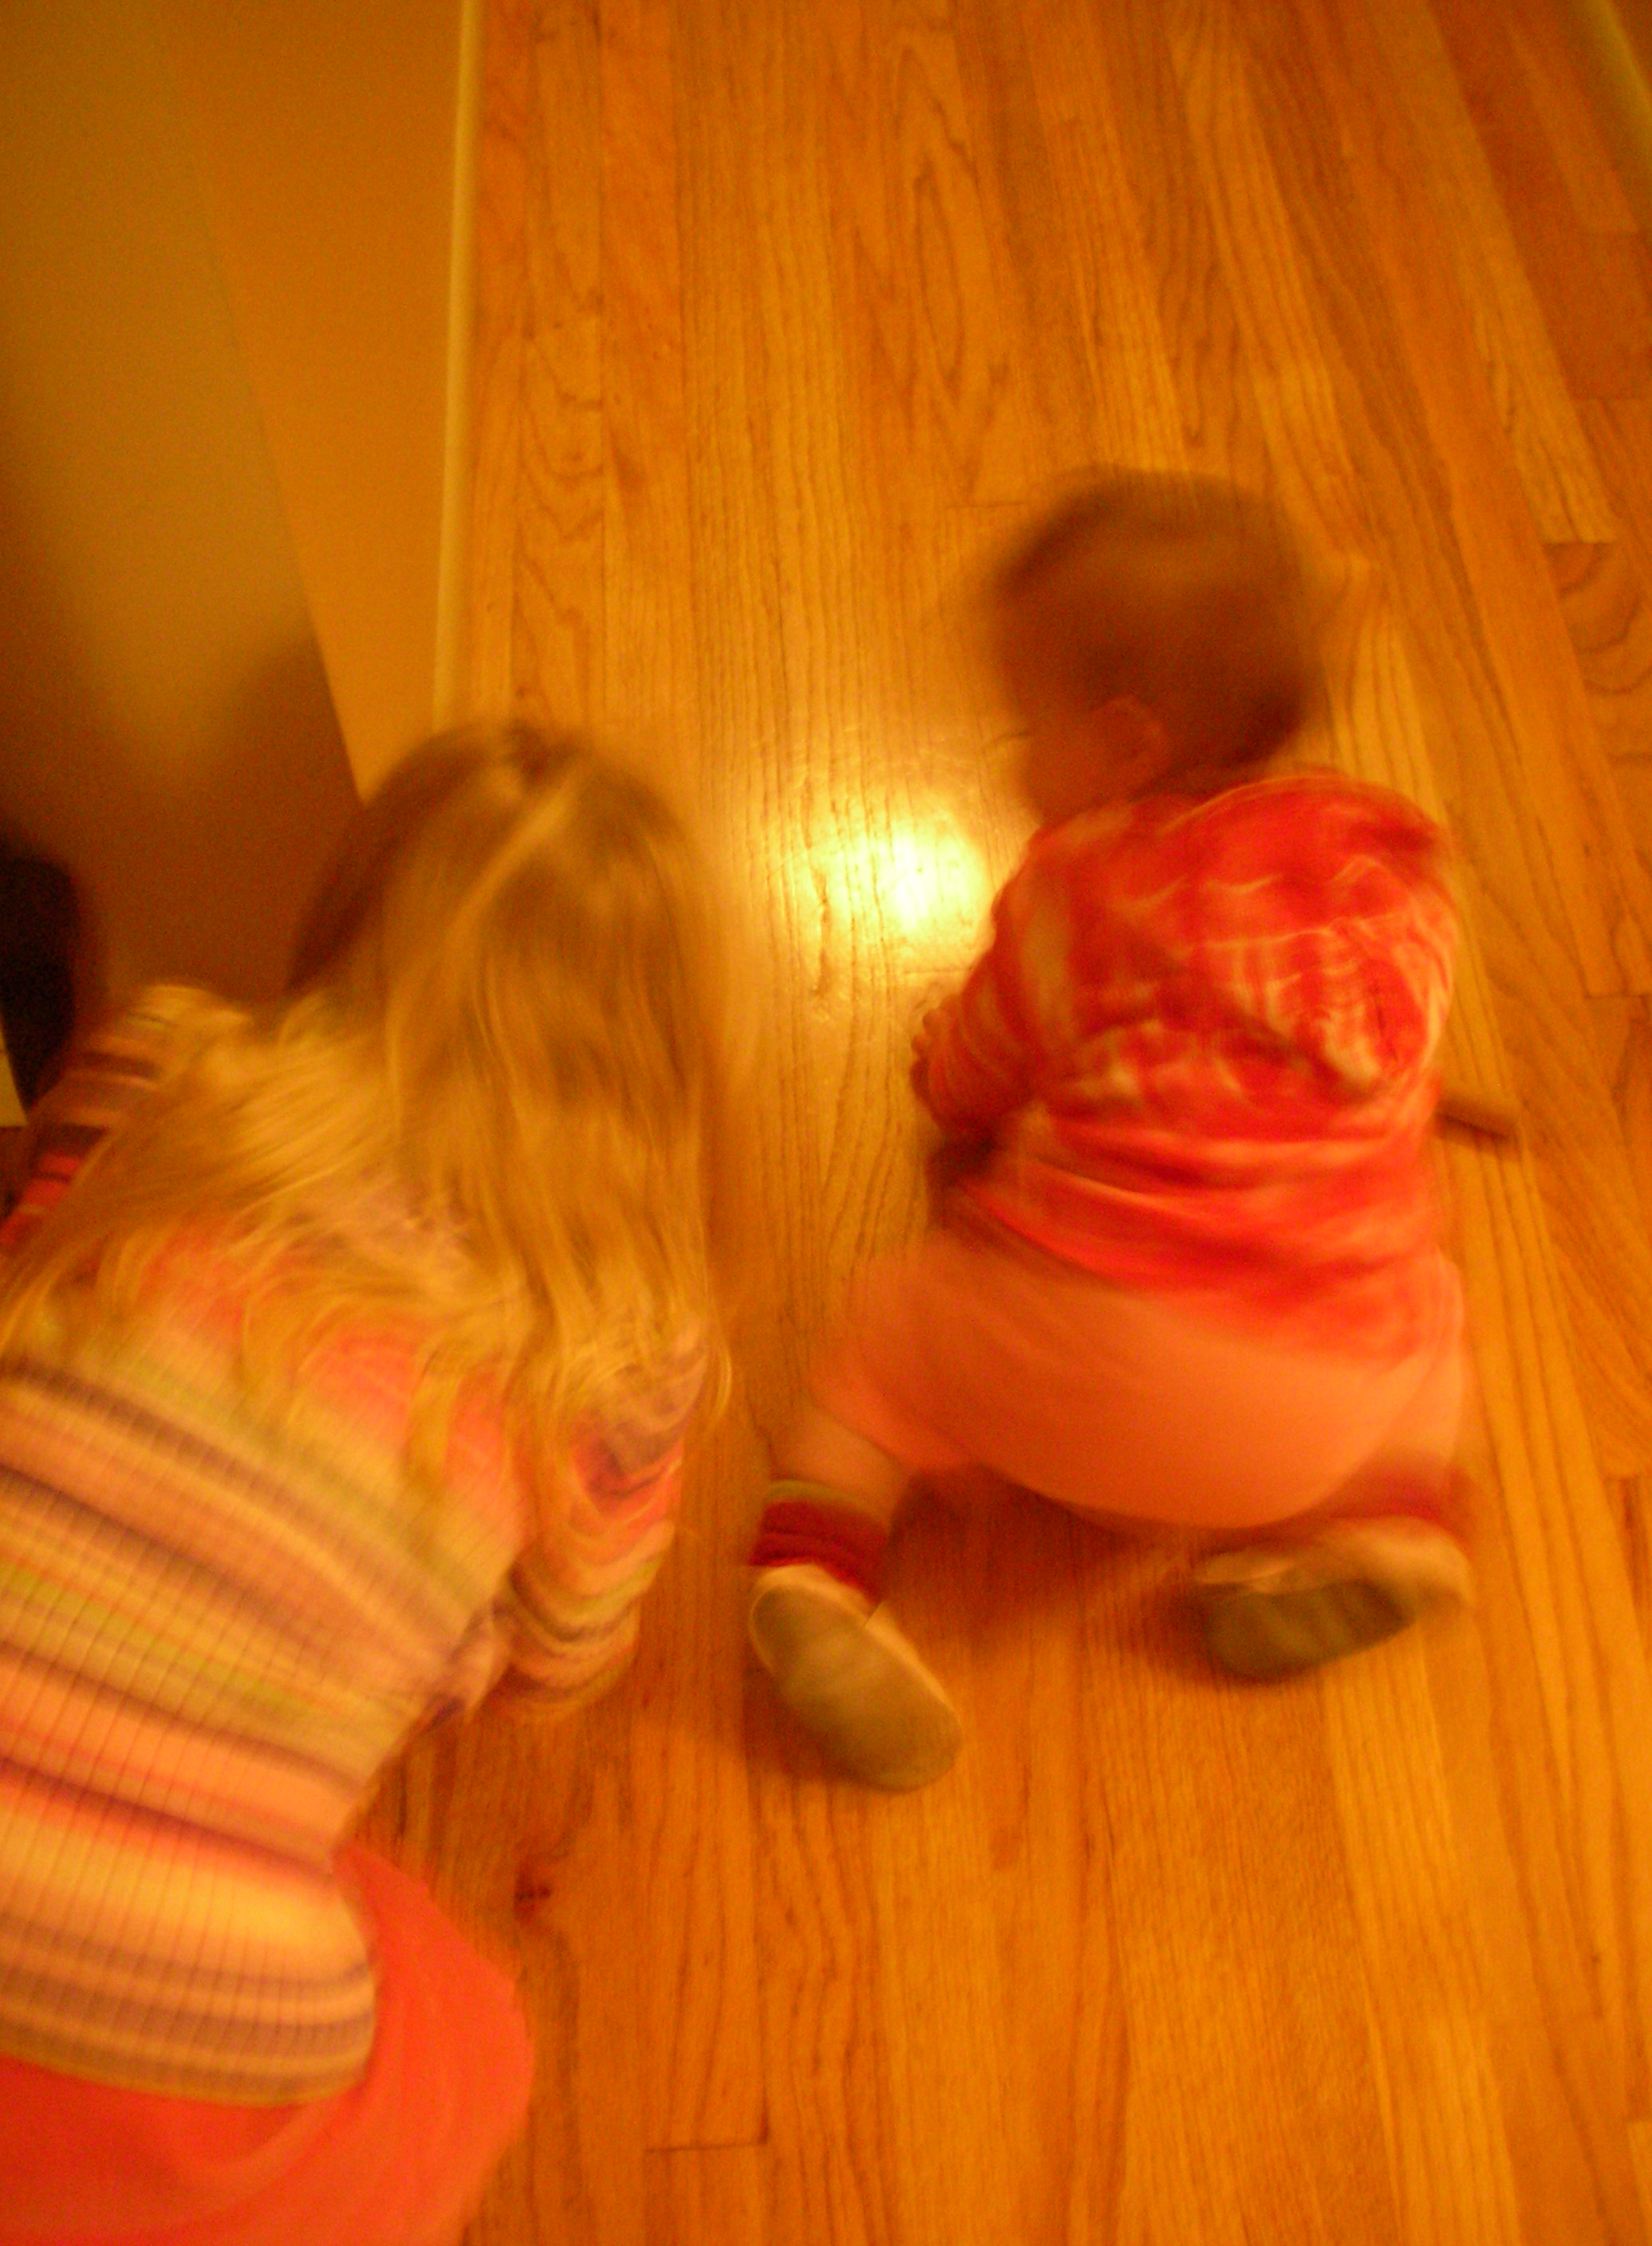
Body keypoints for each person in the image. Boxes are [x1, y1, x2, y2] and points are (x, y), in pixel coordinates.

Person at [0, 726, 740, 2244]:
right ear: (670, 1052)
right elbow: (562, 1658)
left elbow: (38, 1262)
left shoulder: (160, 1063)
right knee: (470, 2038)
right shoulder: (625, 1328)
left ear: (353, 920)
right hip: (183, 2018)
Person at [747, 476, 1473, 1791]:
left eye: (1022, 726)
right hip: (1312, 1415)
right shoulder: (1394, 887)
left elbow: (975, 1075)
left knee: (884, 1329)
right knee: (1428, 1304)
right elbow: (1399, 1082)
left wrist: (941, 1072)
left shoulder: (1081, 889)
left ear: (1129, 747)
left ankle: (814, 1571)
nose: (1010, 758)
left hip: (1073, 1366)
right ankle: (1394, 1519)